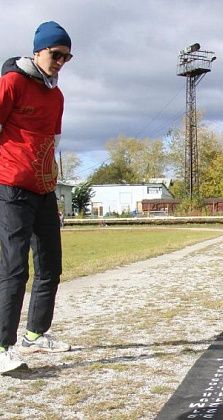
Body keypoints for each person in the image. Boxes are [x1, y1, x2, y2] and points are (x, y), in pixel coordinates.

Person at [0, 21, 73, 375]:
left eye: (66, 57)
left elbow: (54, 142)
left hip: (44, 189)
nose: (60, 62)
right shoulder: (12, 82)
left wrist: (53, 181)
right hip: (11, 187)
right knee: (14, 270)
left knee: (50, 267)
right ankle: (2, 348)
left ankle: (35, 332)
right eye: (55, 54)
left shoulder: (56, 96)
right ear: (38, 51)